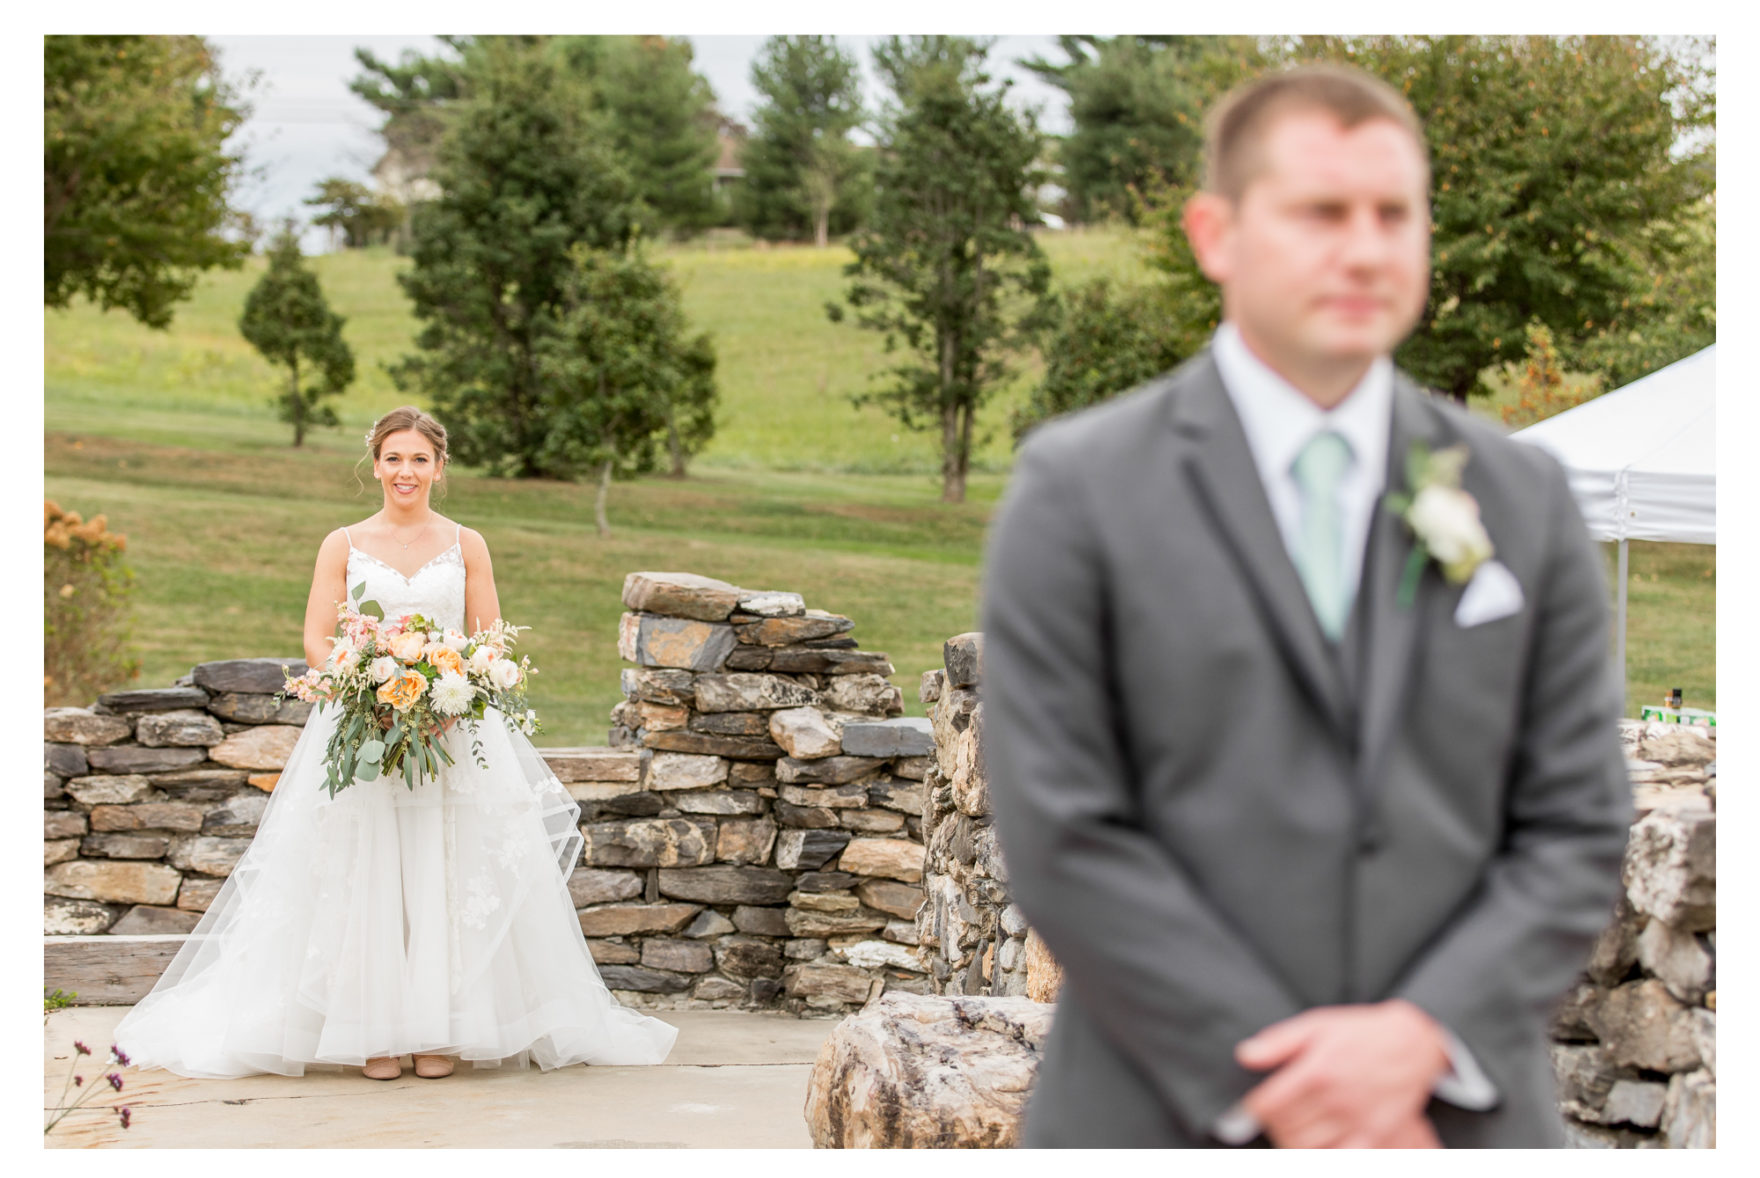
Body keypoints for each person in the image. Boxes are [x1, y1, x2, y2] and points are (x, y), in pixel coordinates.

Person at [981, 65, 1631, 1148]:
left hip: (1456, 1118)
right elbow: (1063, 827)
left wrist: (1421, 1034)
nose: (1365, 247)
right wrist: (1289, 1078)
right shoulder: (1077, 490)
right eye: (1320, 212)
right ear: (1214, 233)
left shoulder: (1521, 496)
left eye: (1394, 212)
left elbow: (1572, 819)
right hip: (1161, 1113)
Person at [115, 406, 678, 1081]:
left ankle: (438, 1029)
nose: (405, 471)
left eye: (418, 459)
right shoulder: (342, 543)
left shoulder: (467, 543)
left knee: (444, 868)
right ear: (375, 465)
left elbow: (488, 637)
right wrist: (367, 690)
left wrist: (450, 690)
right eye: (393, 458)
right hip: (362, 730)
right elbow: (318, 638)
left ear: (439, 468)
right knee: (366, 870)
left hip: (451, 725)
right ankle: (371, 1032)